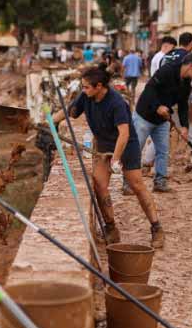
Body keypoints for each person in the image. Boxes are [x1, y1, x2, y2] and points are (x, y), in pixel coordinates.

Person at [51, 66, 165, 248]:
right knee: (99, 184)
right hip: (103, 145)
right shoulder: (86, 96)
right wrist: (51, 121)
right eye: (83, 87)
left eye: (87, 87)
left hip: (126, 146)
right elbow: (70, 112)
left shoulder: (116, 103)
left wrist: (115, 160)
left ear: (99, 86)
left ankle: (156, 227)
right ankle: (111, 228)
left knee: (136, 185)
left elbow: (124, 134)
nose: (84, 90)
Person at [132, 52, 192, 193]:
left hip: (163, 120)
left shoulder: (186, 82)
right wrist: (157, 106)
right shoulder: (167, 70)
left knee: (163, 151)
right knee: (136, 149)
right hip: (144, 116)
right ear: (190, 66)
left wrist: (184, 126)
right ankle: (129, 183)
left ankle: (160, 182)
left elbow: (183, 105)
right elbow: (149, 89)